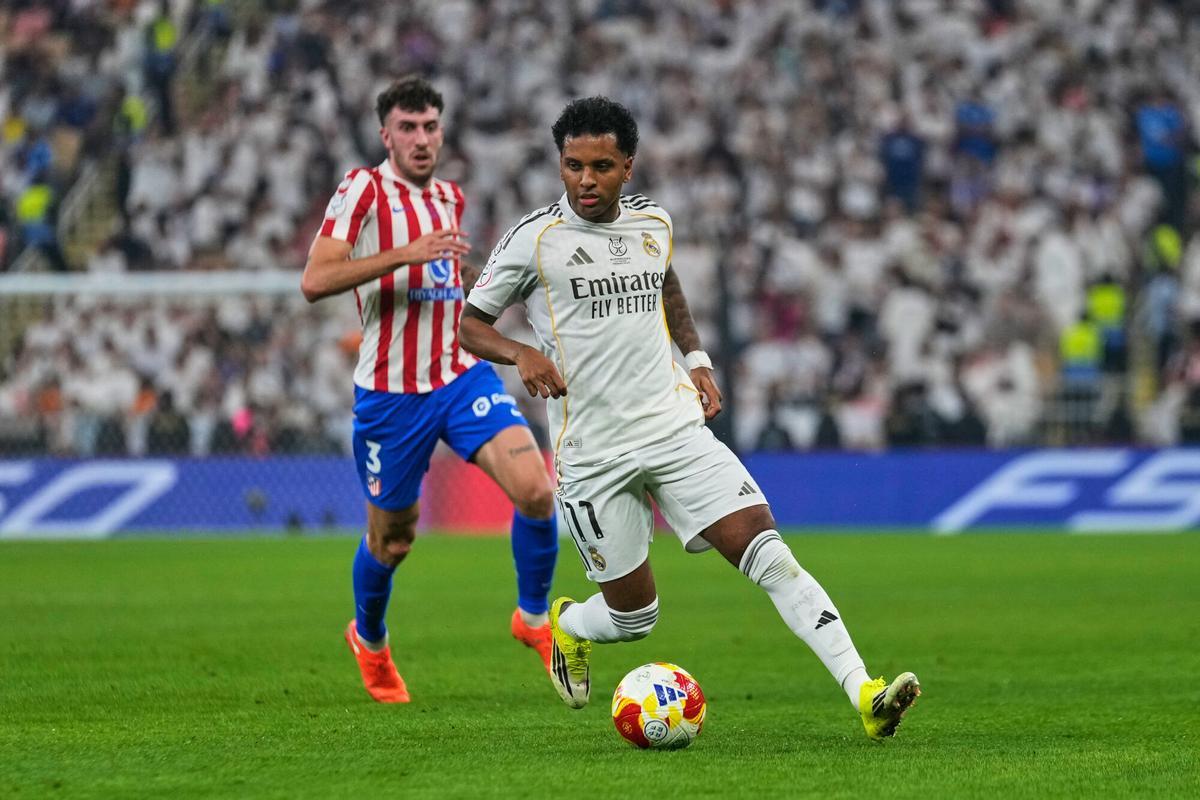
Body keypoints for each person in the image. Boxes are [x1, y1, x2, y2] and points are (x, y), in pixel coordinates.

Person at [459, 97, 921, 740]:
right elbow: (470, 326)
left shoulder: (653, 224)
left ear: (628, 167)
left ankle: (865, 694)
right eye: (572, 166)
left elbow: (667, 286)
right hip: (592, 453)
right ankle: (567, 624)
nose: (585, 180)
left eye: (601, 166)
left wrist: (697, 358)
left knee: (770, 554)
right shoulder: (533, 241)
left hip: (674, 429)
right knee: (633, 618)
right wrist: (521, 352)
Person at [301, 77, 559, 703]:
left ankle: (531, 618)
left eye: (431, 127)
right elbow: (315, 279)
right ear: (385, 134)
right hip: (391, 394)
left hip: (459, 374)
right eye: (408, 128)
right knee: (394, 539)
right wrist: (404, 254)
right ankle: (369, 637)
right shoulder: (361, 190)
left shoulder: (449, 196)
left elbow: (444, 274)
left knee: (536, 490)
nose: (421, 139)